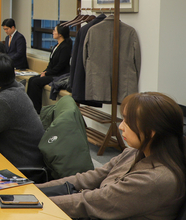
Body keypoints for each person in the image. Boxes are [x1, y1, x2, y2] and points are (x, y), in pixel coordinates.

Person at [37, 92, 186, 220]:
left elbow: (94, 201)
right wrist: (33, 190)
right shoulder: (132, 153)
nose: (121, 126)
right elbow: (89, 178)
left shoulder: (156, 179)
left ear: (151, 132)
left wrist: (34, 202)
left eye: (128, 122)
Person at [26, 24, 73, 113]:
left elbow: (60, 66)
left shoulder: (65, 47)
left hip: (59, 75)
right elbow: (51, 63)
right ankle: (29, 108)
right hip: (52, 72)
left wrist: (47, 74)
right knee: (32, 79)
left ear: (60, 34)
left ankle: (36, 110)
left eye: (55, 30)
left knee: (36, 82)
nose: (53, 32)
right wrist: (45, 71)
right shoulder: (57, 45)